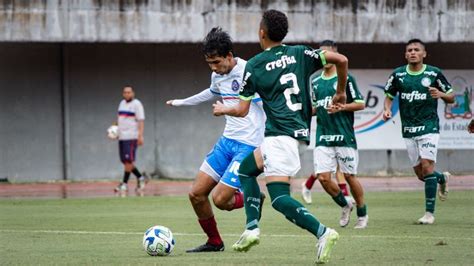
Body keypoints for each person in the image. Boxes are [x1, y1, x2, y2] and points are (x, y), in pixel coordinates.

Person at [213, 10, 348, 264]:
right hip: (291, 134)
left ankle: (323, 232)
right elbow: (341, 59)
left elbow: (241, 110)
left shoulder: (254, 65)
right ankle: (251, 227)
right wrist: (340, 92)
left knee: (279, 198)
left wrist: (223, 109)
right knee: (246, 170)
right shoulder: (301, 53)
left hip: (280, 136)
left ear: (261, 32)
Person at [166, 27, 266, 252]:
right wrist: (182, 102)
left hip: (249, 145)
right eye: (209, 63)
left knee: (221, 201)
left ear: (230, 56)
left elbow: (262, 105)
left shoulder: (250, 71)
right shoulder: (217, 75)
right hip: (226, 142)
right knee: (196, 194)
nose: (214, 68)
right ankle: (215, 242)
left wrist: (268, 138)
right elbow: (210, 92)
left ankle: (253, 197)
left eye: (217, 62)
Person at [383, 39, 454, 225]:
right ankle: (442, 178)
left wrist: (441, 94)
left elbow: (452, 97)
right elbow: (389, 96)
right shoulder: (398, 75)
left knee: (427, 165)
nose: (413, 52)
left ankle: (429, 214)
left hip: (429, 126)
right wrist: (387, 109)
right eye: (409, 50)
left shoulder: (434, 73)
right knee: (421, 174)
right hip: (408, 128)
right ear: (406, 55)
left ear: (424, 54)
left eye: (416, 50)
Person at [301, 40, 368, 229]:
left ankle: (362, 213)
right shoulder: (314, 81)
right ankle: (345, 204)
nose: (325, 57)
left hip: (344, 135)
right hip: (323, 136)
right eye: (321, 54)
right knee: (323, 178)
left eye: (328, 53)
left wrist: (343, 107)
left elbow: (361, 103)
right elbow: (315, 108)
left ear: (335, 54)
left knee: (349, 176)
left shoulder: (345, 78)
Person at [114, 86, 146, 195]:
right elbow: (119, 119)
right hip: (122, 137)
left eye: (129, 92)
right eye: (125, 92)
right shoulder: (122, 103)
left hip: (131, 136)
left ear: (133, 93)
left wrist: (140, 136)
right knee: (125, 161)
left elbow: (141, 121)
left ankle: (124, 183)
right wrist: (115, 131)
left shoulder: (137, 104)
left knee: (128, 161)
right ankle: (141, 177)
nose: (127, 94)